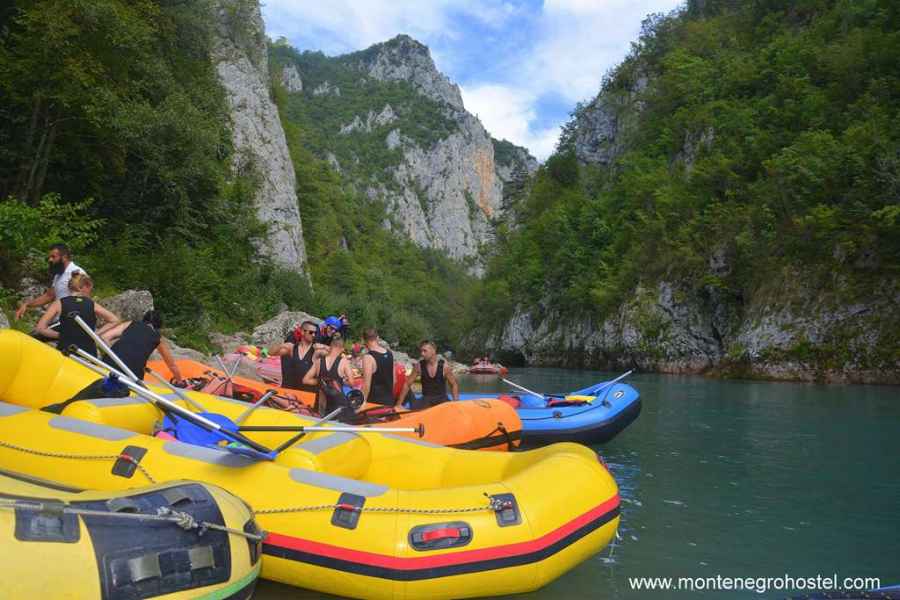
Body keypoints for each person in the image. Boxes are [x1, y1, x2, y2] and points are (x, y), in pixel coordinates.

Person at [34, 273, 119, 357]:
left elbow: (40, 328)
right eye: (90, 289)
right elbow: (114, 320)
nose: (90, 293)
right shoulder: (92, 304)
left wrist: (61, 335)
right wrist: (95, 334)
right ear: (85, 287)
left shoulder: (59, 303)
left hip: (65, 350)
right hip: (88, 353)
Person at [100, 310, 185, 384]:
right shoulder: (158, 338)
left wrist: (114, 354)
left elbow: (104, 337)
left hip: (109, 364)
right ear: (159, 325)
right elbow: (172, 365)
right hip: (132, 374)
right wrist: (179, 381)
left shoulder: (131, 324)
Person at [15, 243, 88, 323]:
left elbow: (85, 299)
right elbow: (49, 296)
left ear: (64, 257)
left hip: (73, 321)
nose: (50, 260)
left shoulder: (78, 273)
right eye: (50, 257)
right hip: (59, 320)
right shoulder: (59, 275)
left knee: (39, 329)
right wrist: (27, 304)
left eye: (53, 257)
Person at [302, 333, 357, 415]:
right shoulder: (344, 362)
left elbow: (305, 380)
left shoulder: (319, 362)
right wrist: (341, 382)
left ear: (330, 347)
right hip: (337, 404)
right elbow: (352, 383)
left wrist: (321, 382)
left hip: (321, 403)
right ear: (342, 349)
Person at [398, 340, 460, 410]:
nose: (422, 354)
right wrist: (398, 405)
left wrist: (456, 402)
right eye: (421, 351)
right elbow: (407, 384)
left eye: (425, 351)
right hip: (426, 400)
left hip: (442, 400)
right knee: (410, 395)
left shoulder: (444, 367)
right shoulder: (419, 366)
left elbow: (453, 384)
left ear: (433, 351)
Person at [268, 320, 320, 393]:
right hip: (291, 392)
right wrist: (282, 344)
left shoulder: (317, 350)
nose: (313, 335)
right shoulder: (292, 348)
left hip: (308, 394)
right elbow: (271, 352)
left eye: (315, 333)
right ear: (302, 332)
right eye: (311, 332)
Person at [361, 327, 394, 406]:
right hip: (389, 400)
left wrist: (361, 403)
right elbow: (394, 379)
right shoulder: (389, 353)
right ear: (377, 338)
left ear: (364, 340)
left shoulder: (368, 357)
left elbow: (366, 385)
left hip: (375, 403)